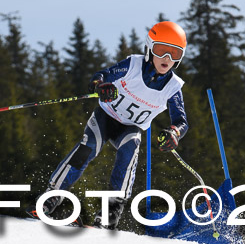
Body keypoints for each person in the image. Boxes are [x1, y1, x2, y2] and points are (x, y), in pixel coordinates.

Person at [28, 20, 189, 229]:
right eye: (161, 51)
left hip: (130, 128)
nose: (166, 59)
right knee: (88, 148)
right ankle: (51, 199)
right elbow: (102, 75)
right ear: (150, 48)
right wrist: (101, 86)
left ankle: (109, 215)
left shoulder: (173, 87)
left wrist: (173, 132)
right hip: (106, 118)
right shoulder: (133, 65)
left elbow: (181, 121)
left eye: (174, 54)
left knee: (128, 153)